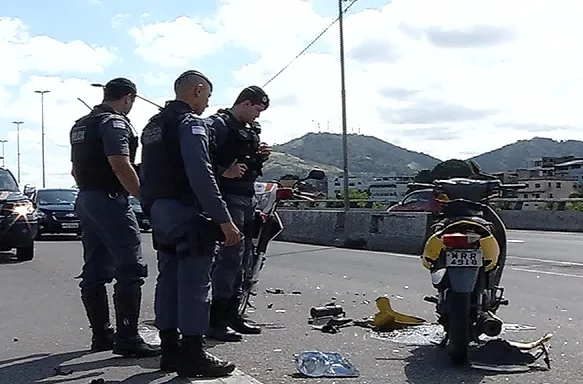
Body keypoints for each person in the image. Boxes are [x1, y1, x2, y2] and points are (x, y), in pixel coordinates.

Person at [139, 70, 241, 378]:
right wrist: (224, 219)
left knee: (167, 280)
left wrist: (151, 209)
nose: (208, 104)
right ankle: (194, 353)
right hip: (187, 212)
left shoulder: (152, 127)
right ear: (197, 90)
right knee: (196, 282)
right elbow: (202, 175)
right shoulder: (192, 124)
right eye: (207, 97)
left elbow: (145, 174)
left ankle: (169, 350)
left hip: (160, 212)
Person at [69, 78, 160, 357]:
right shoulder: (115, 123)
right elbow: (120, 164)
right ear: (128, 98)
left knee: (95, 268)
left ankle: (102, 335)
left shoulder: (81, 124)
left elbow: (75, 170)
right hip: (109, 199)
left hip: (86, 198)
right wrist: (144, 199)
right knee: (130, 268)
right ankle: (128, 337)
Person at [205, 86, 271, 342]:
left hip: (245, 195)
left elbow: (247, 160)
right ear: (245, 103)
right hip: (227, 196)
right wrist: (224, 171)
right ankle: (217, 320)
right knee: (229, 256)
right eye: (256, 109)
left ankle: (232, 314)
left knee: (243, 258)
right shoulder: (217, 125)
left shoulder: (250, 130)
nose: (257, 116)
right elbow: (200, 158)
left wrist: (260, 156)